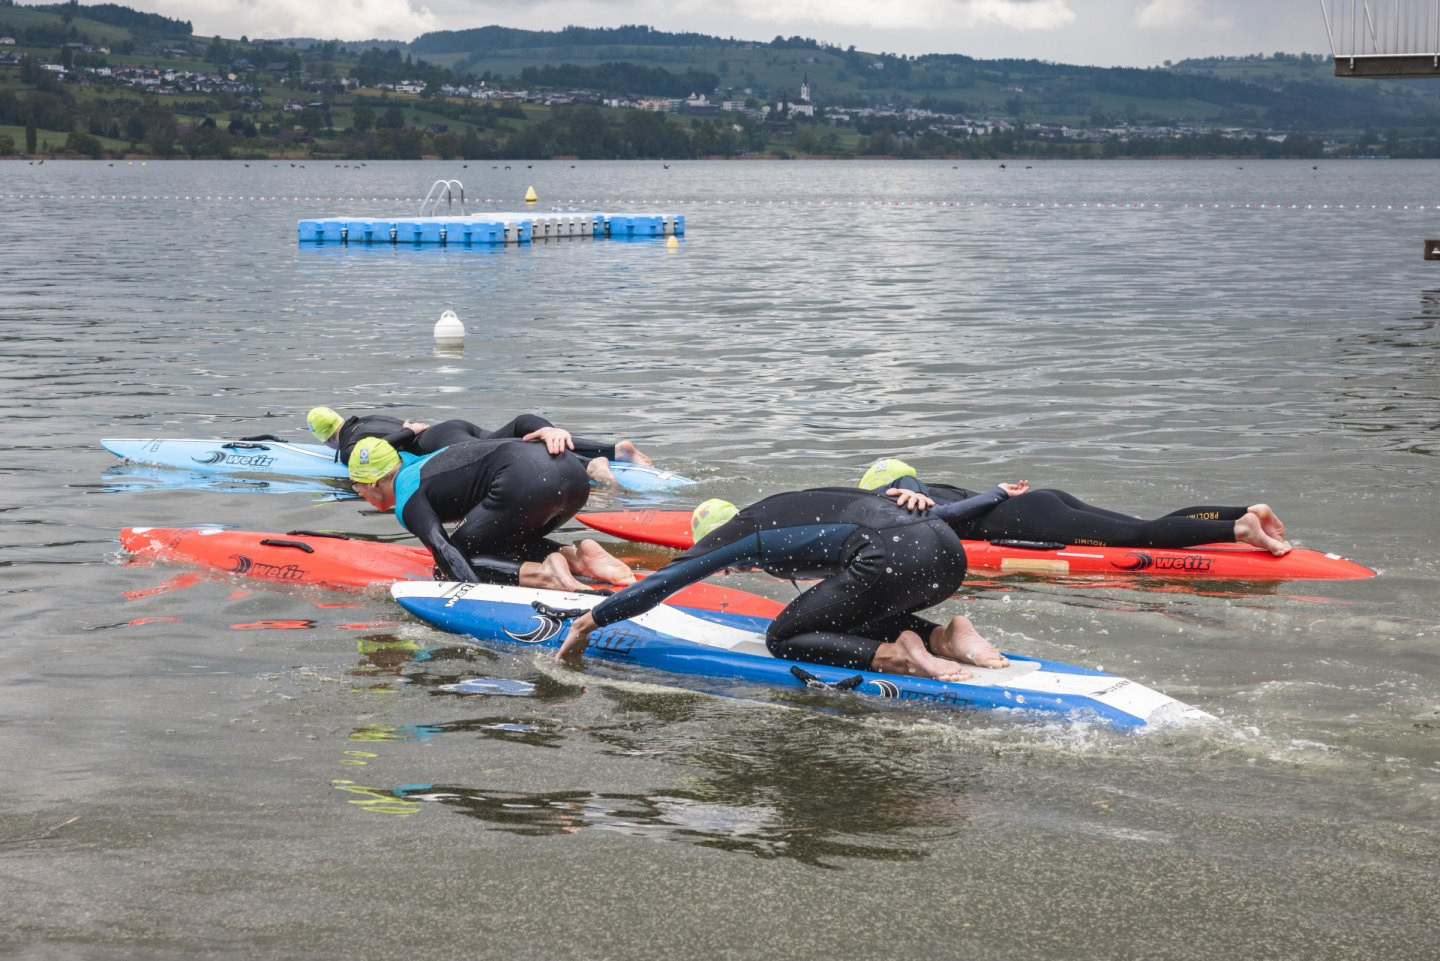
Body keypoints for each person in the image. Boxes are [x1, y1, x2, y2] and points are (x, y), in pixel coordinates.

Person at [557, 481, 1029, 681]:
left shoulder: (742, 532)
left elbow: (662, 583)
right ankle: (944, 636)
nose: (731, 569)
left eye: (726, 564)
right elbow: (896, 513)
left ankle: (898, 653)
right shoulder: (795, 507)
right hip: (946, 555)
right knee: (844, 608)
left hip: (892, 558)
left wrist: (589, 623)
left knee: (783, 637)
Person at [347, 435, 635, 591]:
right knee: (496, 540)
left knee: (459, 555)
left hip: (525, 483)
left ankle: (546, 575)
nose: (358, 493)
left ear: (372, 483)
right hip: (573, 475)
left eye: (356, 486)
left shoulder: (408, 493)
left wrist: (470, 593)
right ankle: (578, 557)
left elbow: (444, 548)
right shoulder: (426, 461)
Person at [857, 458, 1291, 555]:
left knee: (1137, 537)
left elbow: (941, 517)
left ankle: (1239, 532)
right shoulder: (937, 485)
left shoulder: (899, 495)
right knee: (1143, 525)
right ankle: (1242, 512)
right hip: (1042, 502)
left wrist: (999, 493)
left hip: (1025, 514)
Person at [307, 406, 652, 485]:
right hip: (452, 427)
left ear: (326, 437)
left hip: (440, 441)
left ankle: (588, 466)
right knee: (516, 432)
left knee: (512, 449)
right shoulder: (365, 418)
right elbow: (403, 426)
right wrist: (411, 427)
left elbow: (395, 440)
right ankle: (615, 450)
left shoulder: (352, 442)